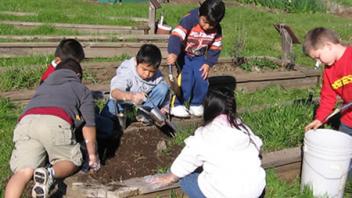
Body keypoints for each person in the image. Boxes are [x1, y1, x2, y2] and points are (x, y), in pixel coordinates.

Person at [5, 59, 99, 198]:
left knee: (23, 171)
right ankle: (49, 173)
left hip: (27, 122)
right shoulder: (81, 88)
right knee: (72, 160)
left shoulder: (44, 85)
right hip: (54, 122)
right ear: (78, 75)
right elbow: (89, 126)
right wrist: (92, 156)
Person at [146, 89, 266, 198]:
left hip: (227, 194)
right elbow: (258, 145)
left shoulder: (206, 134)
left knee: (186, 179)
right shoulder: (243, 128)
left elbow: (187, 160)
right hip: (255, 191)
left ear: (208, 110)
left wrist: (171, 177)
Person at [168, 0, 225, 118]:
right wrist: (174, 52)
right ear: (200, 13)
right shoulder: (189, 20)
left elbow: (215, 47)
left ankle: (196, 103)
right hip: (184, 55)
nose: (207, 26)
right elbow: (177, 35)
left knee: (201, 79)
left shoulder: (217, 30)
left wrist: (208, 63)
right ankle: (177, 104)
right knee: (186, 78)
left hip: (199, 56)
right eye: (204, 21)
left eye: (211, 24)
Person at [101, 44, 169, 125]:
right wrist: (131, 96)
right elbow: (114, 92)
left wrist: (165, 108)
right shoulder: (127, 71)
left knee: (163, 88)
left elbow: (165, 94)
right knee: (107, 119)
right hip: (121, 104)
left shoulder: (157, 76)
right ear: (137, 62)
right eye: (144, 69)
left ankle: (143, 114)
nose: (147, 74)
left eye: (152, 71)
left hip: (142, 105)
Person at [303, 27, 352, 135]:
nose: (319, 62)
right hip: (348, 122)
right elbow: (327, 98)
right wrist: (320, 119)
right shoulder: (329, 71)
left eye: (318, 57)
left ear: (329, 46)